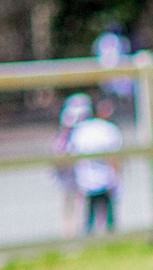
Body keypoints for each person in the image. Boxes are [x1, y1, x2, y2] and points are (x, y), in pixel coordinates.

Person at [66, 97, 122, 234]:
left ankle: (92, 240)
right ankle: (110, 240)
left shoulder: (80, 130)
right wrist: (116, 177)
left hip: (88, 180)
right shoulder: (108, 129)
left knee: (91, 216)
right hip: (102, 179)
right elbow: (114, 157)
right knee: (105, 216)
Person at [52, 92, 92, 237]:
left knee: (83, 208)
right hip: (68, 179)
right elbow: (57, 157)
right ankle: (70, 237)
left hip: (84, 178)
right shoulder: (62, 138)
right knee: (69, 209)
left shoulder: (86, 133)